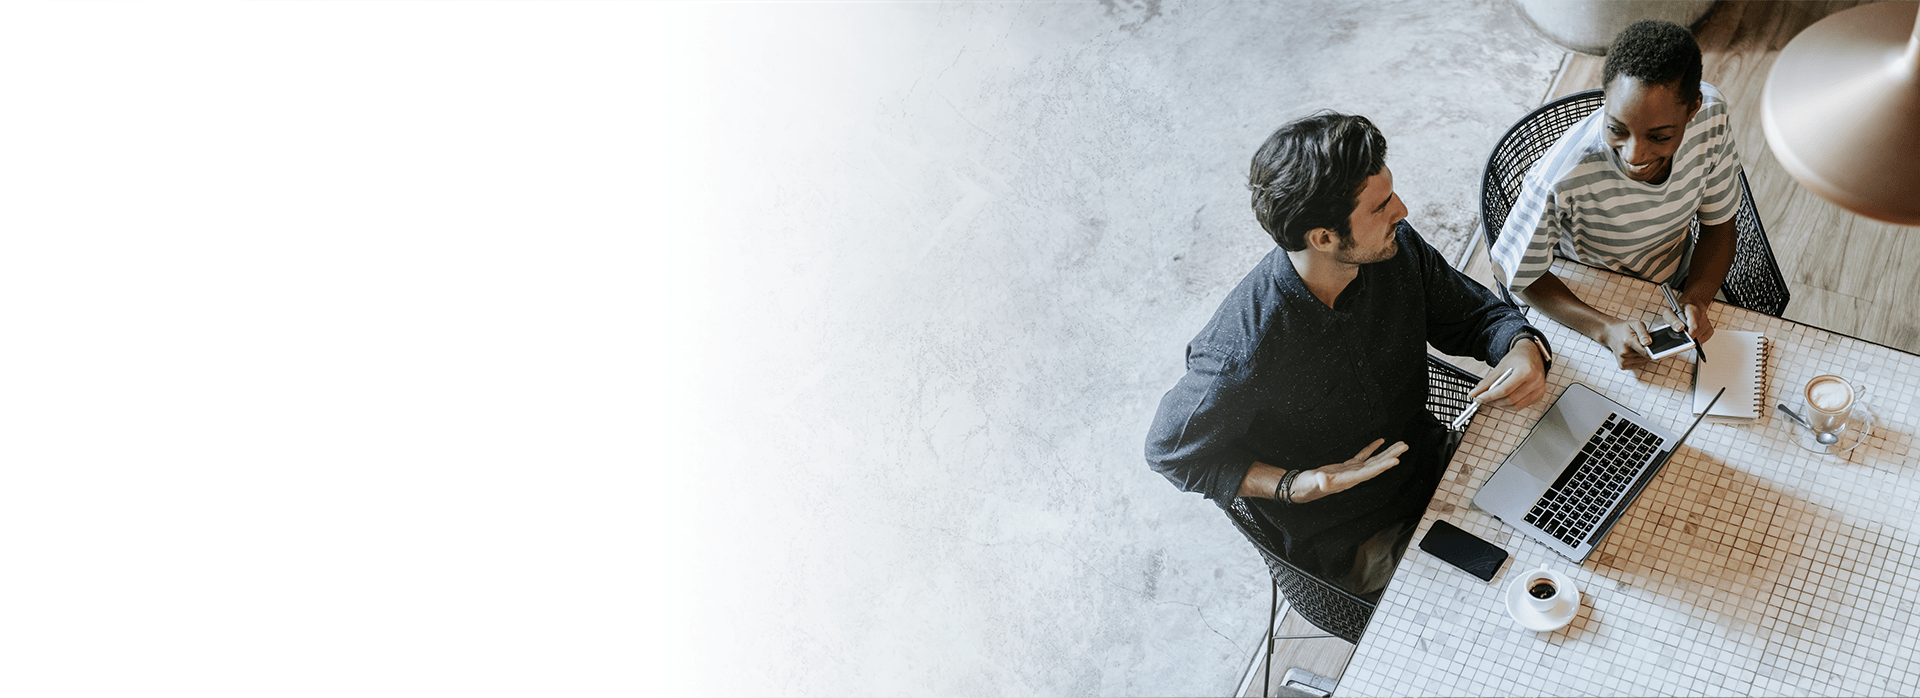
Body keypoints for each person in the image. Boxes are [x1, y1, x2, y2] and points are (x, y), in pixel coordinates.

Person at [1143, 113, 1552, 596]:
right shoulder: (1242, 352)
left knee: (1564, 534)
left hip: (1434, 464)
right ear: (1323, 237)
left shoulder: (1392, 248)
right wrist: (1298, 485)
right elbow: (1170, 454)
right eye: (1380, 207)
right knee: (1486, 612)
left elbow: (1475, 317)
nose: (1401, 210)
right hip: (1352, 532)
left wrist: (1522, 347)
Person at [1490, 20, 1742, 370]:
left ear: (1693, 109)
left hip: (1675, 287)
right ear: (1605, 100)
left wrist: (1696, 299)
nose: (1635, 155)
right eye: (1617, 129)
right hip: (1590, 300)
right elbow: (1511, 271)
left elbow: (1720, 226)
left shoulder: (1712, 116)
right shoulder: (1560, 178)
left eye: (1660, 136)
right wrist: (1604, 329)